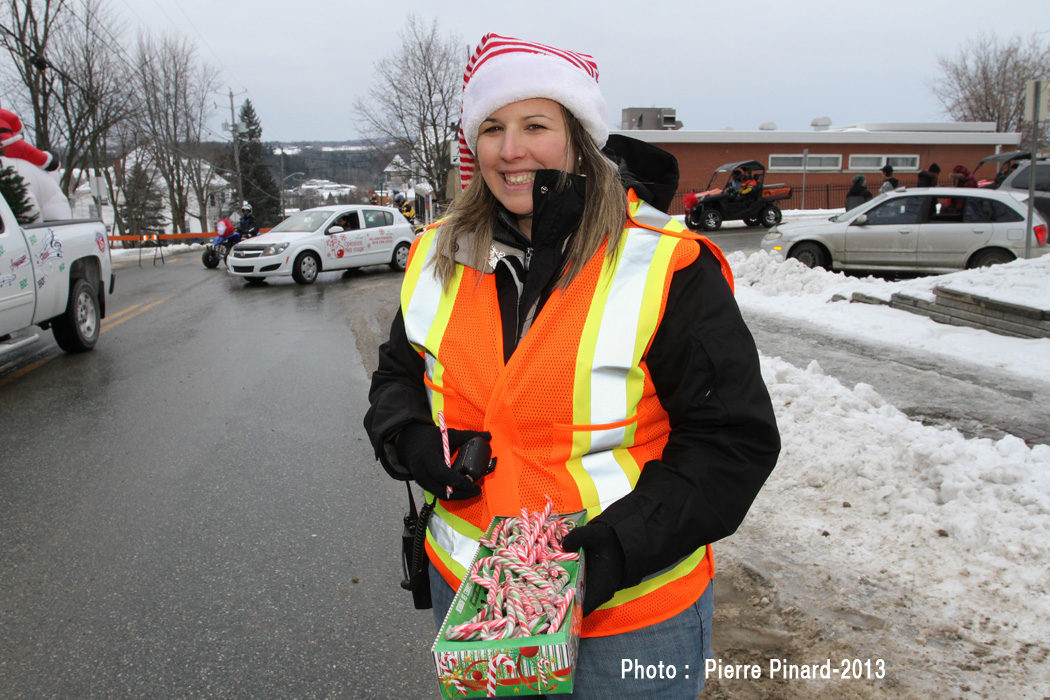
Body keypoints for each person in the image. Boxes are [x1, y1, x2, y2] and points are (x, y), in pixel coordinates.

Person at [364, 32, 780, 699]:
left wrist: (610, 554)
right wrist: (413, 442)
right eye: (492, 127)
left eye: (536, 124)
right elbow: (397, 379)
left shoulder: (663, 263)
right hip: (473, 602)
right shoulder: (437, 254)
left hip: (626, 620)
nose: (510, 149)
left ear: (580, 138)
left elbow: (731, 445)